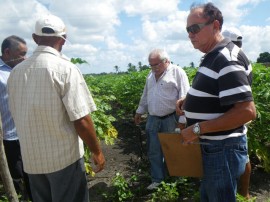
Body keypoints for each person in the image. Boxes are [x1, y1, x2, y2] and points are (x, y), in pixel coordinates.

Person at [7, 14, 105, 202]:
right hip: (64, 160)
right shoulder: (66, 69)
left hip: (31, 160)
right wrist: (97, 151)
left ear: (35, 39)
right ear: (63, 40)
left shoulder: (15, 73)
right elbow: (82, 120)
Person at [176, 2, 256, 201]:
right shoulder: (212, 56)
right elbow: (220, 93)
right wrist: (190, 100)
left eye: (195, 28)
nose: (190, 34)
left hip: (222, 150)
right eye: (188, 30)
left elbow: (246, 111)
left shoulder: (226, 58)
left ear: (216, 25)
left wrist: (196, 129)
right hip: (215, 148)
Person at [134, 49, 190, 190]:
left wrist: (182, 121)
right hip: (153, 118)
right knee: (154, 150)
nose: (153, 68)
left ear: (167, 61)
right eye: (151, 65)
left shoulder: (177, 72)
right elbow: (146, 95)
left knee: (173, 149)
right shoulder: (150, 76)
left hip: (171, 118)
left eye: (156, 65)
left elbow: (185, 97)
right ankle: (157, 179)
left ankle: (176, 178)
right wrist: (140, 111)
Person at [0, 35, 32, 200]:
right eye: (22, 54)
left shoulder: (20, 69)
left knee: (31, 173)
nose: (25, 58)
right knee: (16, 175)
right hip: (9, 136)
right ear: (7, 52)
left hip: (26, 132)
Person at [222, 27, 251, 199]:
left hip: (234, 118)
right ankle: (243, 193)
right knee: (242, 156)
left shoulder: (233, 60)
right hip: (239, 116)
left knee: (238, 156)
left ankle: (241, 193)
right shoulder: (242, 58)